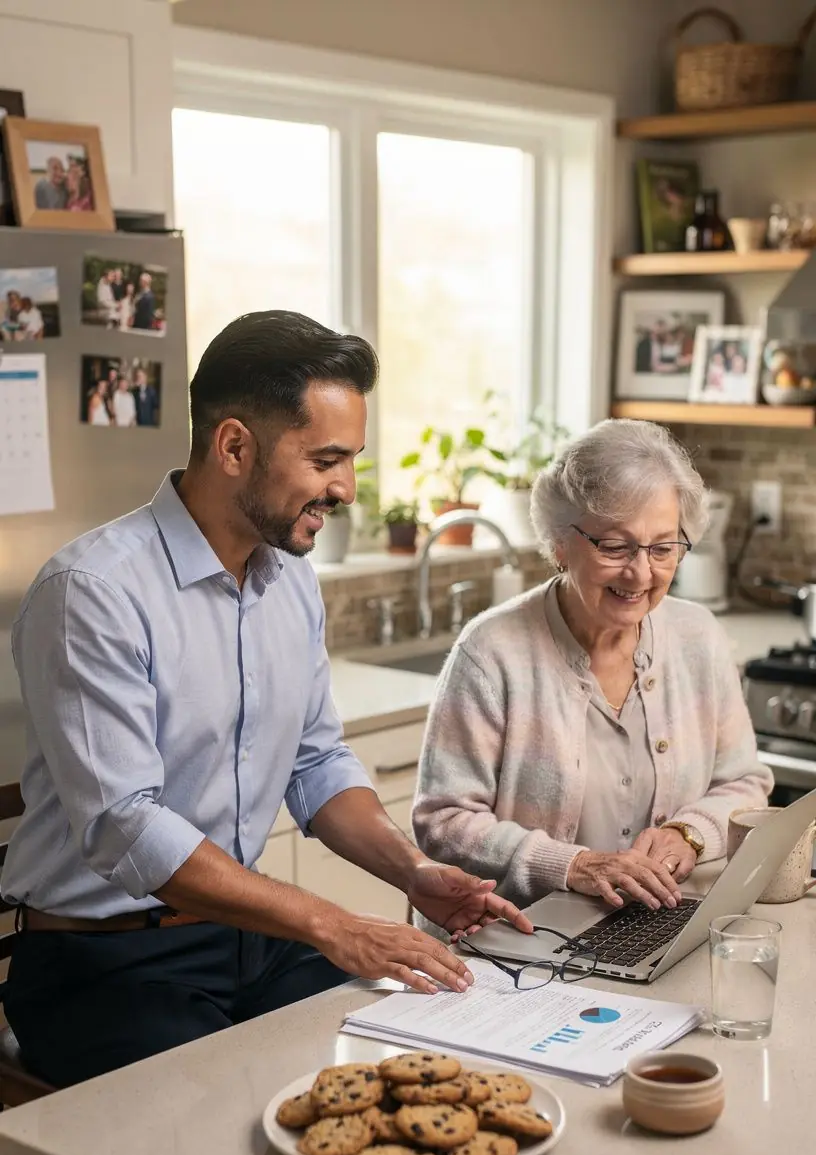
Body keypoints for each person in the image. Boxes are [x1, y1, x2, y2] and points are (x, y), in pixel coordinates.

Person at [1, 310, 530, 1087]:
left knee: (414, 1059)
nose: (345, 487)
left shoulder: (290, 581)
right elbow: (129, 827)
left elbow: (316, 765)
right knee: (244, 1114)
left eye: (351, 460)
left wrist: (412, 873)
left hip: (247, 940)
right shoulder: (94, 591)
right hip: (103, 962)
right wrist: (332, 923)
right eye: (325, 459)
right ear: (234, 446)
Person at [413, 419, 773, 915]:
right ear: (560, 543)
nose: (641, 572)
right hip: (514, 940)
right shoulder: (492, 651)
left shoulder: (698, 637)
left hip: (651, 924)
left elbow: (745, 783)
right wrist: (572, 864)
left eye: (663, 548)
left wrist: (687, 834)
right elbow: (443, 821)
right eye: (615, 546)